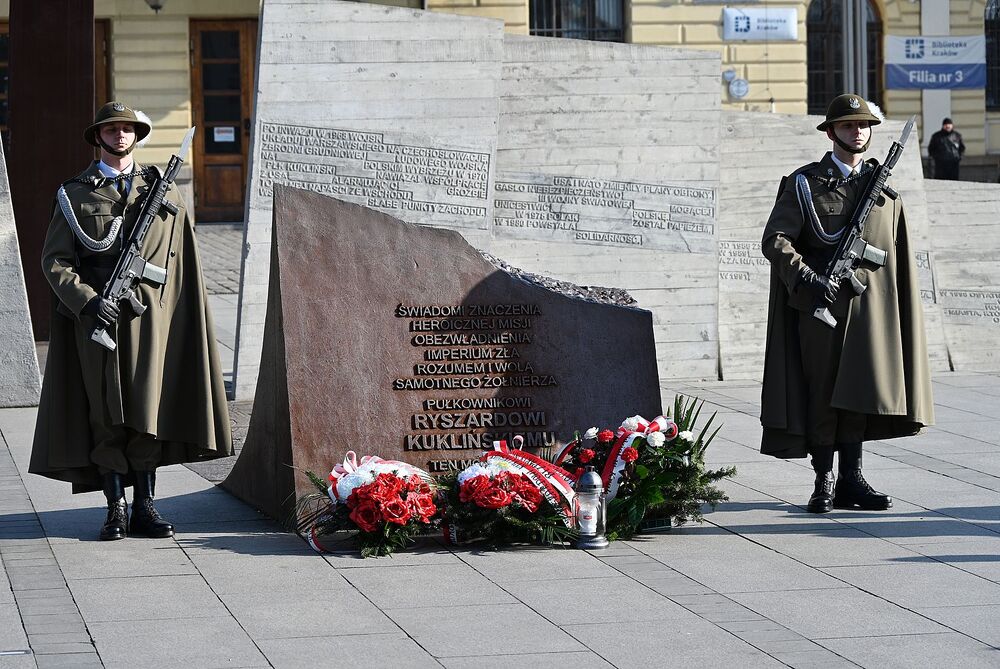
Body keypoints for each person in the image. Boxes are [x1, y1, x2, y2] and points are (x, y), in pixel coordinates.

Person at [30, 102, 232, 540]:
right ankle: (114, 508)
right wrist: (87, 302)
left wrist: (165, 311)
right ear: (97, 136)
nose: (120, 136)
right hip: (96, 324)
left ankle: (145, 506)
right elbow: (56, 261)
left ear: (136, 136)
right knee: (106, 417)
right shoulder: (75, 193)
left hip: (148, 323)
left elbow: (179, 261)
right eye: (112, 129)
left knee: (145, 412)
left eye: (127, 129)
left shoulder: (160, 190)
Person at [758, 94, 935, 514]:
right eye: (849, 125)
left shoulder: (883, 191)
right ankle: (824, 479)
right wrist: (807, 278)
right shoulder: (805, 183)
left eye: (864, 126)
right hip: (820, 306)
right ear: (831, 131)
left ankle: (852, 480)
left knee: (859, 391)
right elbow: (776, 240)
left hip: (869, 312)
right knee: (821, 394)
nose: (858, 132)